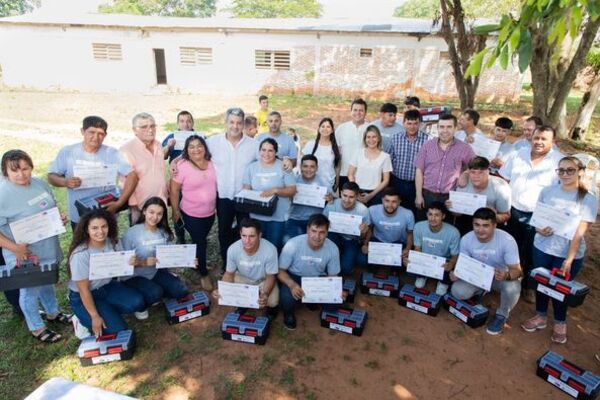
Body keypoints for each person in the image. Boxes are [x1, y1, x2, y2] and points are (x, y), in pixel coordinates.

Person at [521, 156, 598, 344]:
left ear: (580, 171)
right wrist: (540, 229)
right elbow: (538, 218)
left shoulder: (588, 199)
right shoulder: (548, 191)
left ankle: (560, 322)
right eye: (561, 170)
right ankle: (540, 315)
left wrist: (569, 259)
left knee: (561, 289)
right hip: (542, 247)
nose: (565, 174)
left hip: (567, 253)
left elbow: (579, 234)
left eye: (570, 170)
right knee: (542, 284)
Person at [0, 150, 69, 342]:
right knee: (29, 289)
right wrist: (16, 248)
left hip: (46, 245)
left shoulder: (39, 183)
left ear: (31, 166)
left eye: (25, 168)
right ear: (5, 172)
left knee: (46, 279)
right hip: (23, 252)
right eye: (15, 171)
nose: (21, 174)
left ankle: (53, 312)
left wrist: (58, 218)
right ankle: (37, 327)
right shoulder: (2, 194)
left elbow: (51, 206)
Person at [499, 126, 563, 303]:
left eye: (544, 139)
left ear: (553, 141)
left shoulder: (559, 161)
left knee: (534, 252)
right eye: (537, 138)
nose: (539, 142)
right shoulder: (518, 154)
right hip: (513, 211)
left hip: (540, 216)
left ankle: (529, 286)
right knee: (512, 246)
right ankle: (510, 279)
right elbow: (504, 177)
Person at [48, 116, 136, 230]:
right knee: (82, 246)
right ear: (82, 131)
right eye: (92, 132)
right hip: (79, 215)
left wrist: (119, 203)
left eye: (100, 133)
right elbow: (51, 176)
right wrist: (65, 182)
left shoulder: (112, 153)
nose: (96, 137)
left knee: (108, 245)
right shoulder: (68, 152)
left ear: (105, 135)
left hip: (106, 213)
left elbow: (133, 176)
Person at [68, 209, 145, 337]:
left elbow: (121, 266)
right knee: (118, 330)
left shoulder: (111, 242)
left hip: (107, 286)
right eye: (94, 228)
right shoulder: (80, 254)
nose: (100, 231)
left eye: (104, 226)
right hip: (83, 295)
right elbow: (83, 290)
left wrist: (132, 262)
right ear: (87, 230)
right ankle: (80, 319)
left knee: (137, 302)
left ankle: (108, 311)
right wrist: (94, 316)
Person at [450, 208, 522, 335]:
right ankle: (481, 290)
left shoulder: (507, 240)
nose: (480, 230)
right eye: (476, 225)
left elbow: (518, 271)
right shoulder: (466, 239)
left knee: (513, 286)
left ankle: (502, 315)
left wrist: (507, 275)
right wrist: (457, 273)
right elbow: (463, 265)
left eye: (485, 226)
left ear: (494, 225)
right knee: (457, 291)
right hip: (477, 276)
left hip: (499, 278)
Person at [120, 197, 188, 316]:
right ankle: (141, 301)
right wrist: (143, 263)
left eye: (159, 214)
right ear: (144, 211)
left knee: (181, 291)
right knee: (155, 293)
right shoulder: (132, 233)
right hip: (134, 276)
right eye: (151, 212)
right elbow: (122, 263)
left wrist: (188, 259)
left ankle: (161, 290)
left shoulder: (163, 232)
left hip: (155, 272)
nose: (155, 217)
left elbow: (171, 255)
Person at [206, 107, 256, 267]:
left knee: (246, 232)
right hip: (223, 196)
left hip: (245, 197)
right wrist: (175, 161)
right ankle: (227, 263)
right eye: (232, 122)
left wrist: (287, 162)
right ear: (226, 123)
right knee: (224, 231)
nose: (235, 126)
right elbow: (194, 153)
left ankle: (243, 262)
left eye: (239, 123)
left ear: (243, 124)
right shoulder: (213, 142)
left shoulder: (254, 145)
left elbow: (268, 159)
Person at [170, 135, 217, 291]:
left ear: (205, 147)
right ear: (186, 150)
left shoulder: (212, 163)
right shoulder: (182, 166)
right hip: (190, 214)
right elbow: (174, 190)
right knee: (201, 242)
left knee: (201, 240)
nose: (196, 149)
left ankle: (196, 261)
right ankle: (203, 274)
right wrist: (175, 210)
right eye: (191, 147)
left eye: (199, 146)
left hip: (210, 214)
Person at [278, 214, 341, 330]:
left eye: (322, 232)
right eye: (313, 231)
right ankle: (289, 315)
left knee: (335, 303)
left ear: (327, 232)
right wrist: (292, 285)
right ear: (307, 230)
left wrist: (336, 289)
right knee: (286, 300)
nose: (317, 236)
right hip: (295, 276)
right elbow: (280, 271)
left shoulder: (333, 248)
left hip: (317, 278)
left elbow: (333, 275)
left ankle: (310, 300)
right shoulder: (293, 244)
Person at [212, 218, 279, 319]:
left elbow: (271, 276)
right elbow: (229, 274)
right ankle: (242, 305)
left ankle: (271, 309)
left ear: (260, 235)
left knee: (273, 301)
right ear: (240, 234)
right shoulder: (233, 249)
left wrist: (265, 294)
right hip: (243, 278)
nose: (247, 241)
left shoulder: (270, 250)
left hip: (263, 280)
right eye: (244, 236)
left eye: (252, 236)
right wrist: (222, 290)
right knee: (231, 286)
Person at [414, 113, 475, 220]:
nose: (445, 130)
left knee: (447, 228)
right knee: (423, 225)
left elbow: (474, 167)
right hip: (427, 195)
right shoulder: (428, 145)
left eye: (449, 127)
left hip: (449, 198)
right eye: (441, 127)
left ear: (455, 128)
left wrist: (465, 174)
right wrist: (418, 195)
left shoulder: (465, 148)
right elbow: (419, 170)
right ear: (437, 128)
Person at [242, 138, 296, 251]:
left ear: (276, 152)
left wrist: (276, 190)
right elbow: (246, 191)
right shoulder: (251, 168)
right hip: (256, 217)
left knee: (274, 248)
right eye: (263, 150)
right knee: (257, 248)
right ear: (259, 151)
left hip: (277, 217)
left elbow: (292, 190)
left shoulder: (284, 167)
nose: (266, 153)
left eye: (270, 150)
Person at [120, 112, 168, 225]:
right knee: (141, 238)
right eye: (144, 127)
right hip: (141, 207)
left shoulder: (158, 145)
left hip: (161, 203)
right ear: (134, 130)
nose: (150, 130)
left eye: (152, 126)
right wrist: (134, 206)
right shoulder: (126, 150)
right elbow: (124, 181)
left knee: (160, 236)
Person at [448, 156, 511, 235]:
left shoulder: (500, 186)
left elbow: (506, 215)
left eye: (481, 172)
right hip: (467, 220)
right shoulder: (464, 183)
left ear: (488, 172)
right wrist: (453, 208)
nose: (476, 176)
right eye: (473, 172)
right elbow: (457, 214)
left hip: (491, 222)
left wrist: (494, 216)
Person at [161, 110, 197, 244]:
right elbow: (162, 156)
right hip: (176, 180)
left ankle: (195, 235)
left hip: (194, 180)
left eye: (188, 121)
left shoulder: (198, 137)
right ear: (177, 123)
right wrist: (169, 146)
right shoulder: (172, 136)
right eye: (182, 121)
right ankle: (180, 237)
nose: (185, 124)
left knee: (193, 208)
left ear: (192, 122)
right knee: (176, 207)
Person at [386, 109, 429, 215]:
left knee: (413, 211)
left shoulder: (427, 140)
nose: (412, 126)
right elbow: (389, 159)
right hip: (397, 182)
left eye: (415, 123)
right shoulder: (395, 138)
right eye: (409, 123)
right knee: (394, 210)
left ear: (420, 124)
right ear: (404, 123)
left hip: (416, 185)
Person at [412, 202, 460, 296]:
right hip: (425, 258)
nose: (433, 218)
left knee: (451, 269)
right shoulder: (418, 226)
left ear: (443, 216)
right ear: (427, 215)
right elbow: (417, 248)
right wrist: (417, 262)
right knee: (410, 264)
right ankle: (422, 275)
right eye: (430, 214)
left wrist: (451, 264)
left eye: (437, 215)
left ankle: (443, 282)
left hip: (443, 260)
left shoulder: (453, 232)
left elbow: (455, 255)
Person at [323, 182, 370, 276]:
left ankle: (344, 256)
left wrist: (364, 232)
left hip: (351, 239)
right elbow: (322, 224)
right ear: (340, 193)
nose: (347, 200)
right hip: (334, 236)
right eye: (345, 195)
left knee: (345, 268)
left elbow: (365, 234)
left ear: (357, 196)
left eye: (351, 197)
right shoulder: (332, 204)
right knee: (324, 261)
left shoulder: (363, 210)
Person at [284, 155, 333, 242]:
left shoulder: (323, 182)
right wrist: (290, 195)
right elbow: (284, 199)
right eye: (305, 166)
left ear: (317, 168)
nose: (308, 170)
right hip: (295, 219)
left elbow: (333, 201)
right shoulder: (293, 180)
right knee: (289, 243)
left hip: (315, 221)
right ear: (300, 167)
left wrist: (330, 200)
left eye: (312, 167)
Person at [363, 187, 413, 265]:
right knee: (363, 260)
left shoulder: (408, 214)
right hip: (377, 240)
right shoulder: (372, 210)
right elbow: (370, 228)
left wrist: (407, 249)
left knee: (404, 263)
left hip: (398, 242)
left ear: (399, 202)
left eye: (394, 201)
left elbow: (410, 233)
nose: (390, 205)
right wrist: (365, 244)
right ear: (382, 200)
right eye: (387, 201)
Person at [347, 125, 392, 207]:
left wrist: (371, 195)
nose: (371, 140)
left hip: (376, 194)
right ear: (365, 139)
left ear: (378, 138)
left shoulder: (385, 157)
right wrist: (356, 192)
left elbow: (386, 180)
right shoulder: (358, 153)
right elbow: (350, 174)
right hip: (357, 192)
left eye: (374, 137)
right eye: (368, 137)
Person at [335, 98, 369, 191]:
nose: (358, 113)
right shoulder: (342, 128)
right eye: (355, 110)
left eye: (361, 110)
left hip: (364, 174)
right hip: (344, 173)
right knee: (345, 203)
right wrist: (336, 176)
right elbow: (336, 153)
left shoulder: (370, 128)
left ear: (365, 112)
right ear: (351, 111)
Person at [302, 117, 341, 192]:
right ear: (319, 128)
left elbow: (337, 167)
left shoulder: (335, 148)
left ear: (332, 130)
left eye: (328, 126)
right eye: (323, 126)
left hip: (329, 184)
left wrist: (337, 183)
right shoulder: (311, 144)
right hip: (311, 184)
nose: (325, 129)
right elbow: (302, 163)